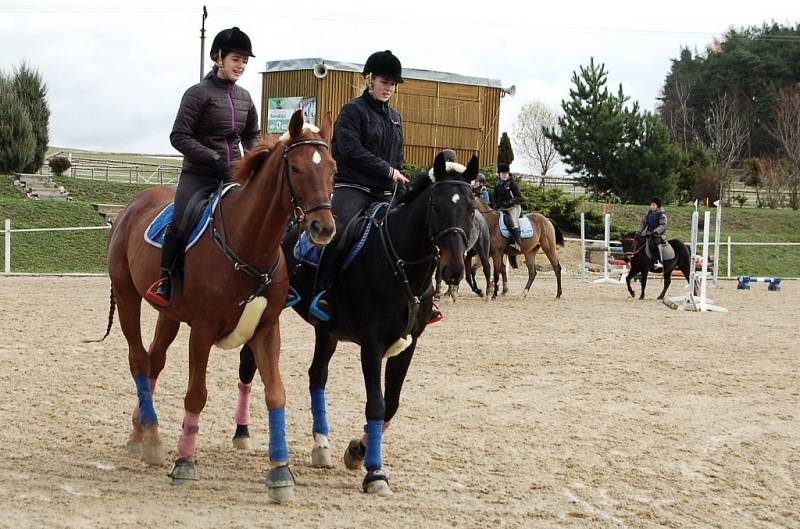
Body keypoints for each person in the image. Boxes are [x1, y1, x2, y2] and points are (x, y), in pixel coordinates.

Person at [145, 27, 260, 307]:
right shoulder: (198, 93)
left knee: (261, 215)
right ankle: (166, 279)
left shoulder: (245, 97)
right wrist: (210, 156)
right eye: (236, 59)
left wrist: (255, 159)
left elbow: (251, 135)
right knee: (182, 218)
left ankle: (268, 279)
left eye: (245, 60)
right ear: (218, 57)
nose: (241, 65)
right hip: (199, 175)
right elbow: (179, 136)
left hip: (234, 174)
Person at [308, 50, 411, 322]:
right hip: (354, 188)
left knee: (415, 227)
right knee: (338, 232)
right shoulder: (352, 111)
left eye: (392, 84)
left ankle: (417, 297)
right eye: (384, 82)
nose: (388, 88)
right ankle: (323, 292)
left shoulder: (395, 118)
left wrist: (400, 177)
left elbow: (398, 156)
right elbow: (350, 150)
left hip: (386, 191)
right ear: (369, 79)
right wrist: (388, 171)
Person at [493, 163, 522, 250]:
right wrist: (495, 205)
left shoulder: (512, 184)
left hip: (514, 207)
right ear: (499, 174)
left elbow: (519, 197)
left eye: (506, 173)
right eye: (503, 173)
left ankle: (517, 243)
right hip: (502, 208)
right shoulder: (497, 185)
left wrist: (510, 202)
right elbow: (495, 198)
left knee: (512, 220)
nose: (505, 175)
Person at [639, 196, 667, 270]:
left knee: (656, 244)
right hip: (649, 234)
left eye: (653, 205)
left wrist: (655, 231)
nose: (652, 206)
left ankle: (659, 261)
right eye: (651, 204)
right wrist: (639, 231)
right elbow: (643, 223)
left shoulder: (662, 215)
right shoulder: (649, 213)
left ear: (658, 206)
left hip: (659, 235)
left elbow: (663, 225)